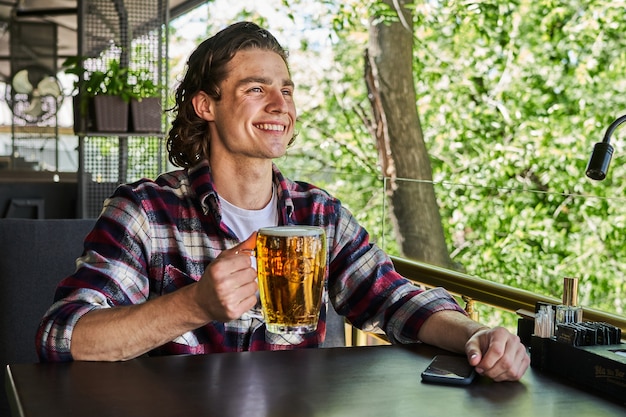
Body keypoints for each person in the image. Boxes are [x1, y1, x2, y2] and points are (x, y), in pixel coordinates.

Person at [36, 21, 529, 382]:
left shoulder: (320, 215)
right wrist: (195, 304)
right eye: (256, 89)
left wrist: (475, 334)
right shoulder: (145, 212)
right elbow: (65, 337)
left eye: (286, 89)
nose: (281, 105)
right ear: (206, 106)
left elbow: (393, 298)